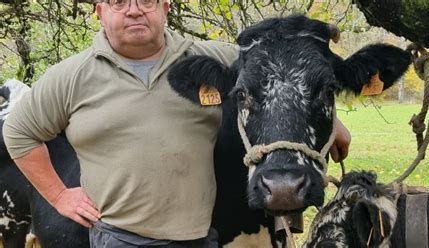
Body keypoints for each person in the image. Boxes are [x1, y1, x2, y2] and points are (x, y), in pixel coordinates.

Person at [3, 0, 351, 247]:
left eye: (147, 1)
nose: (134, 9)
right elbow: (18, 132)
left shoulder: (214, 57)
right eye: (119, 2)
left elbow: (283, 74)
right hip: (119, 238)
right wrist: (60, 195)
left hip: (200, 237)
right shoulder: (70, 76)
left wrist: (333, 125)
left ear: (165, 8)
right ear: (100, 12)